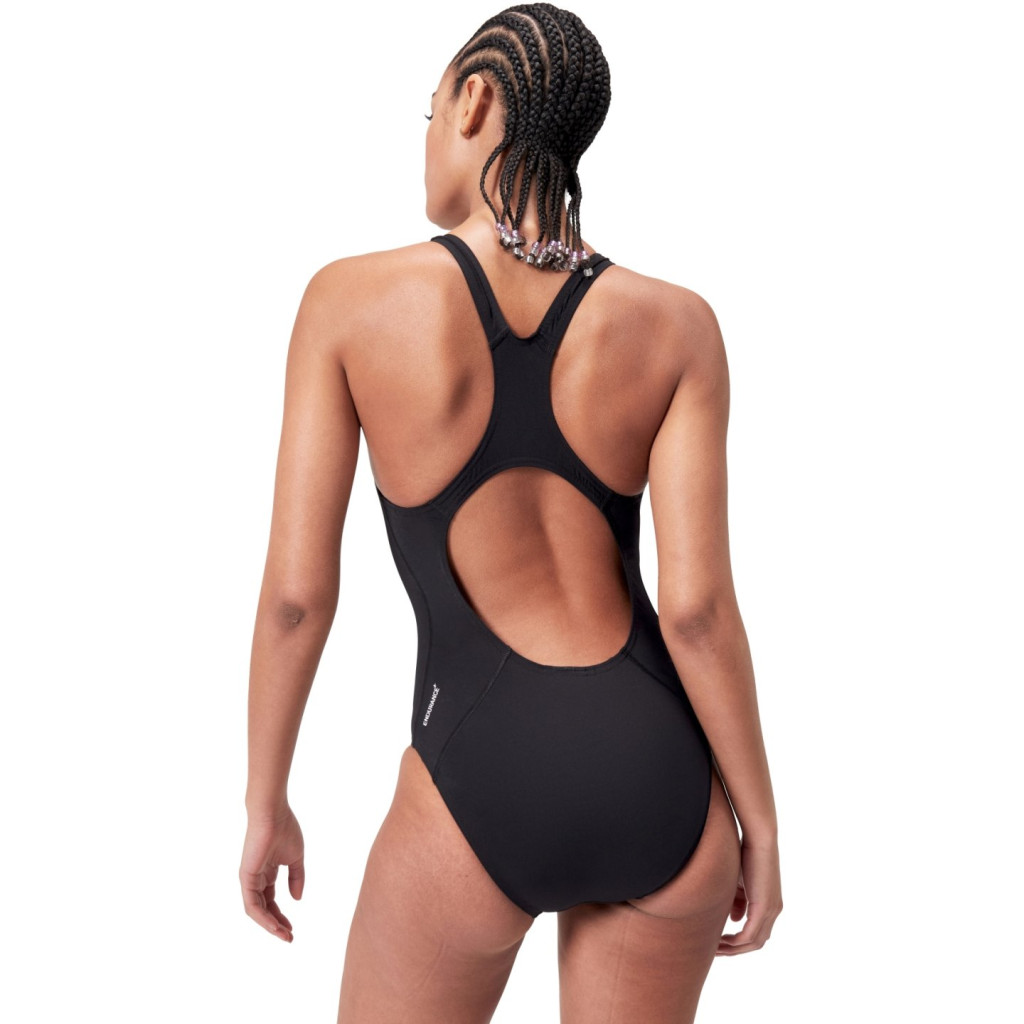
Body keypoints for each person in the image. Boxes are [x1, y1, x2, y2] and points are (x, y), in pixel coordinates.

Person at [240, 4, 782, 1020]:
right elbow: (698, 614)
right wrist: (755, 821)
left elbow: (296, 600)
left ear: (475, 101)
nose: (426, 137)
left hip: (480, 769)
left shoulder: (348, 303)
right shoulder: (676, 325)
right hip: (661, 777)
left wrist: (265, 798)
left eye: (430, 110)